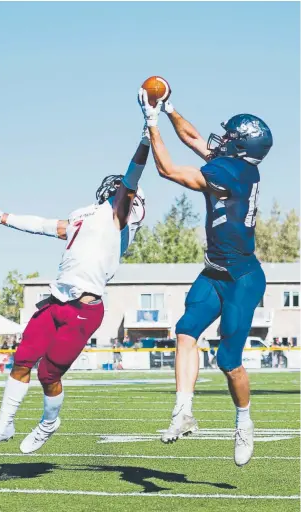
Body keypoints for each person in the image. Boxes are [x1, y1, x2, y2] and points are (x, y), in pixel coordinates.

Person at [0, 125, 152, 455]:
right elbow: (42, 225)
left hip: (85, 309)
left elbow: (133, 174)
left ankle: (49, 423)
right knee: (22, 361)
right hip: (56, 301)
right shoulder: (84, 217)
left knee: (48, 373)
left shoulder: (117, 218)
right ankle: (3, 424)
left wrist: (145, 139)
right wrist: (3, 218)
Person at [138, 88, 273, 467]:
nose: (222, 140)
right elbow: (194, 138)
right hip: (213, 271)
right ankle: (183, 412)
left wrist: (149, 122)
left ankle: (244, 423)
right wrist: (168, 109)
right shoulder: (236, 165)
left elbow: (167, 169)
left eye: (230, 137)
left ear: (241, 147)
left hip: (242, 279)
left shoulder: (232, 173)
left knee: (229, 363)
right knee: (185, 330)